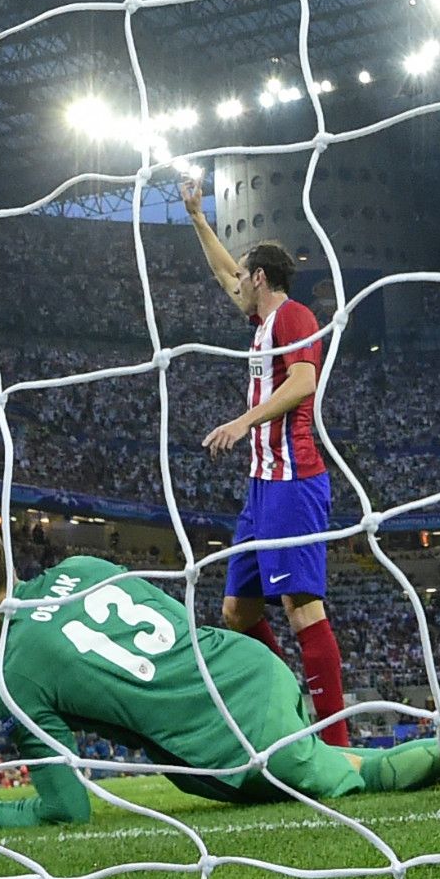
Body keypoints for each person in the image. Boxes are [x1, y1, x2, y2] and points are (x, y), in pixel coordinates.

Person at [0, 525, 440, 832]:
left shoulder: (14, 677)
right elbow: (171, 623)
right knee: (347, 761)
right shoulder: (84, 565)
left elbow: (67, 809)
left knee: (361, 779)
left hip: (229, 742)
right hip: (246, 664)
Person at [178, 178, 349, 747]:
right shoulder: (261, 324)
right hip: (261, 485)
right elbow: (224, 273)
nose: (234, 285)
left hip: (293, 478)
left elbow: (303, 382)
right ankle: (286, 712)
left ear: (262, 279)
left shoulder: (296, 317)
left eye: (243, 276)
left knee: (302, 608)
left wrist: (242, 422)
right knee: (236, 611)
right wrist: (199, 216)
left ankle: (335, 743)